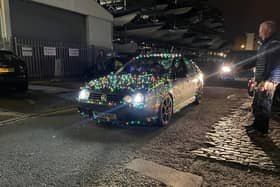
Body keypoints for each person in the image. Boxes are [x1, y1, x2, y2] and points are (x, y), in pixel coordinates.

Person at [247, 20, 280, 135]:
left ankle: (261, 130)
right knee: (257, 104)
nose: (259, 33)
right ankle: (256, 125)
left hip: (268, 81)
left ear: (267, 31)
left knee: (264, 105)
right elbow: (257, 60)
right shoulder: (264, 45)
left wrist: (269, 80)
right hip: (261, 79)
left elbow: (276, 63)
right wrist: (241, 67)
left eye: (261, 30)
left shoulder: (275, 44)